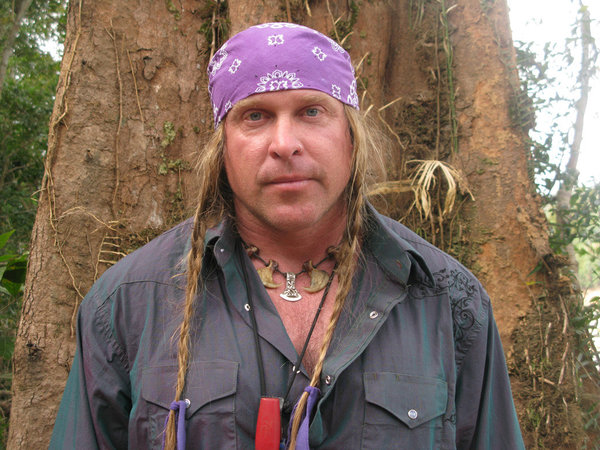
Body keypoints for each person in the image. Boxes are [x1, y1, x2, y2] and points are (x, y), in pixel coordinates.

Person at [50, 23, 525, 449]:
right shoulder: (127, 303)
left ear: (351, 137)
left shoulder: (448, 301)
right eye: (254, 116)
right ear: (223, 146)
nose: (284, 144)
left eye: (312, 111)